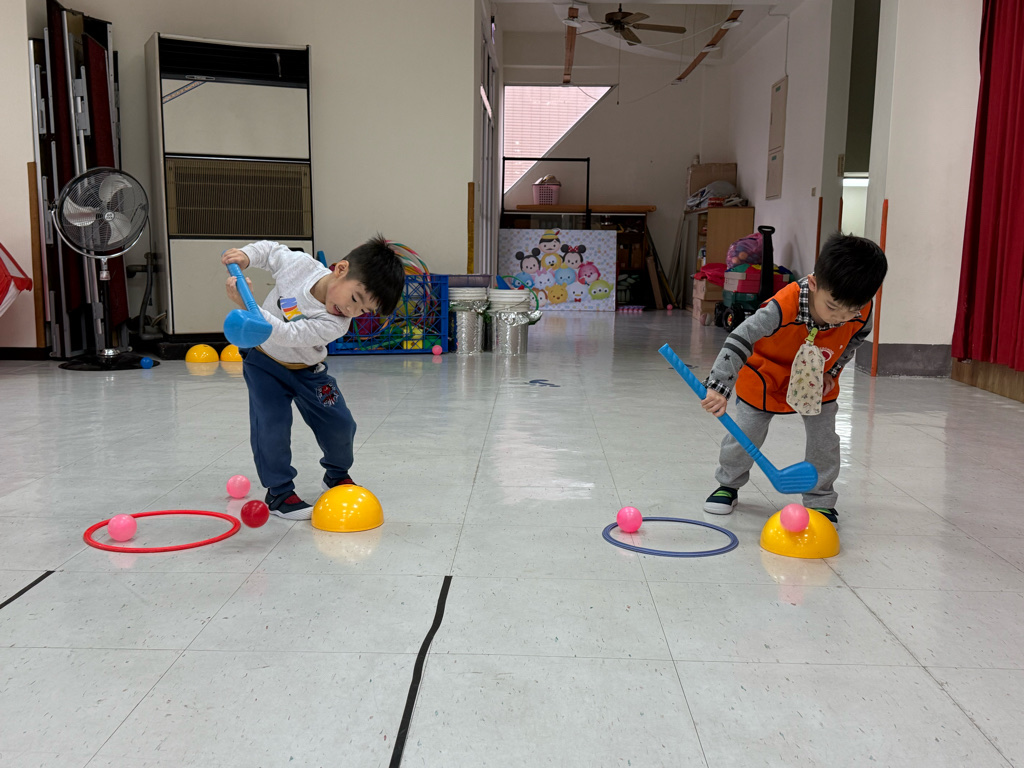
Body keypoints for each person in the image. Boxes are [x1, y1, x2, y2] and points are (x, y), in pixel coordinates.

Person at [701, 233, 888, 524]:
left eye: (850, 311)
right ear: (813, 284)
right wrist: (719, 385)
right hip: (766, 374)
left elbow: (856, 338)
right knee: (745, 433)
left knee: (825, 440)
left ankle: (821, 499)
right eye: (832, 307)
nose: (840, 318)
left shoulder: (861, 310)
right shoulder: (782, 306)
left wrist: (832, 371)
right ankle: (728, 484)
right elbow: (741, 336)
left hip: (817, 378)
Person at [222, 236, 404, 520]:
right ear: (341, 269)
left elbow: (290, 334)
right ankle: (279, 492)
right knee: (271, 424)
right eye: (354, 299)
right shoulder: (300, 265)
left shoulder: (337, 323)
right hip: (263, 362)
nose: (351, 311)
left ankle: (336, 475)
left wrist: (250, 308)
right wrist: (246, 256)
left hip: (308, 371)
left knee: (340, 424)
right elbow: (270, 251)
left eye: (363, 311)